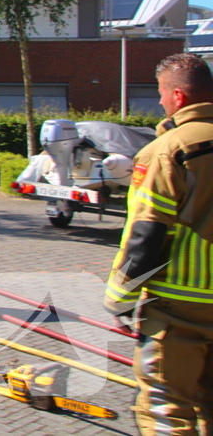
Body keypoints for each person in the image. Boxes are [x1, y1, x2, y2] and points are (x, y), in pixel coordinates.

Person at [104, 53, 213, 435]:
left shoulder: (168, 150)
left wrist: (119, 298)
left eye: (162, 94)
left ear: (179, 96)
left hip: (179, 310)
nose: (161, 102)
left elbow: (147, 236)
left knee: (168, 412)